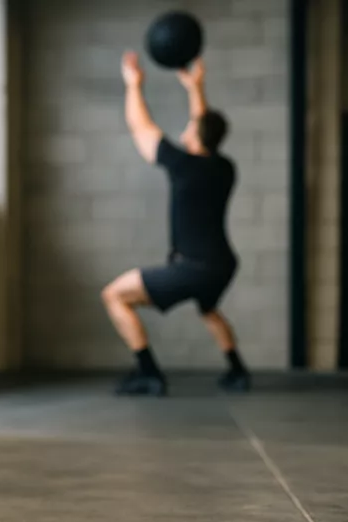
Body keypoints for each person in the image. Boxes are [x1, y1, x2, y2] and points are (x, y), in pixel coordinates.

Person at [101, 51, 250, 396]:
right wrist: (196, 87)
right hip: (222, 265)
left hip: (194, 267)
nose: (185, 127)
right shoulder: (223, 167)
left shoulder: (183, 164)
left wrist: (133, 85)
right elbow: (204, 125)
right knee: (209, 310)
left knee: (114, 296)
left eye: (190, 127)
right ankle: (238, 371)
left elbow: (141, 127)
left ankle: (149, 373)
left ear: (195, 137)